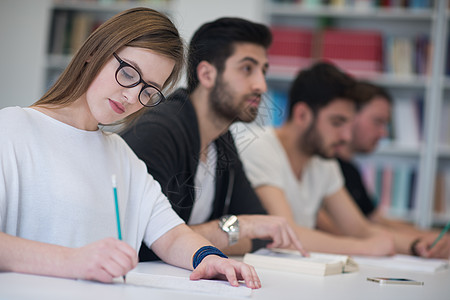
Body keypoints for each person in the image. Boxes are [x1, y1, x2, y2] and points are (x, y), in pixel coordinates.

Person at [0, 8, 262, 288]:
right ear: (95, 51)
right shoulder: (12, 129)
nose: (131, 96)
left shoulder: (121, 155)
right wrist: (73, 261)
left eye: (149, 91)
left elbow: (171, 234)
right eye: (128, 73)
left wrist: (209, 258)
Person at [121, 17, 306, 260]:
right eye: (247, 69)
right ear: (207, 74)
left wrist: (230, 230)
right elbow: (144, 241)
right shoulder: (159, 132)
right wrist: (236, 228)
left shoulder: (222, 140)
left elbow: (262, 231)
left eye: (263, 71)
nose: (261, 85)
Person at [236, 62, 398, 256]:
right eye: (337, 122)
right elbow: (287, 235)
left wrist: (418, 244)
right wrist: (365, 247)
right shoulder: (259, 146)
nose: (346, 136)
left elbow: (359, 228)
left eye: (348, 125)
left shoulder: (323, 159)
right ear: (302, 114)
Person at [316, 80, 450, 258]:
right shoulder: (323, 164)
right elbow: (343, 230)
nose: (384, 133)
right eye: (377, 122)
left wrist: (425, 237)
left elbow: (373, 221)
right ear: (351, 116)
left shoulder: (350, 170)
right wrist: (417, 243)